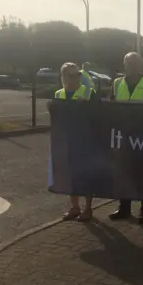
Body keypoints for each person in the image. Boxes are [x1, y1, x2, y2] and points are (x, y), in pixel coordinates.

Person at [109, 52, 143, 225]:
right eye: (129, 62)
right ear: (124, 64)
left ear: (141, 65)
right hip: (123, 136)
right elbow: (111, 108)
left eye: (135, 62)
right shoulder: (116, 83)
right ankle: (124, 208)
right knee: (125, 173)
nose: (132, 65)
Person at [55, 62, 97, 221]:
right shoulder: (59, 94)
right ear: (64, 77)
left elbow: (100, 116)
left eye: (79, 74)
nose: (77, 78)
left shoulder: (89, 92)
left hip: (86, 141)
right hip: (67, 142)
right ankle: (75, 207)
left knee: (86, 175)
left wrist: (88, 108)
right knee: (70, 175)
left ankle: (88, 209)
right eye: (73, 75)